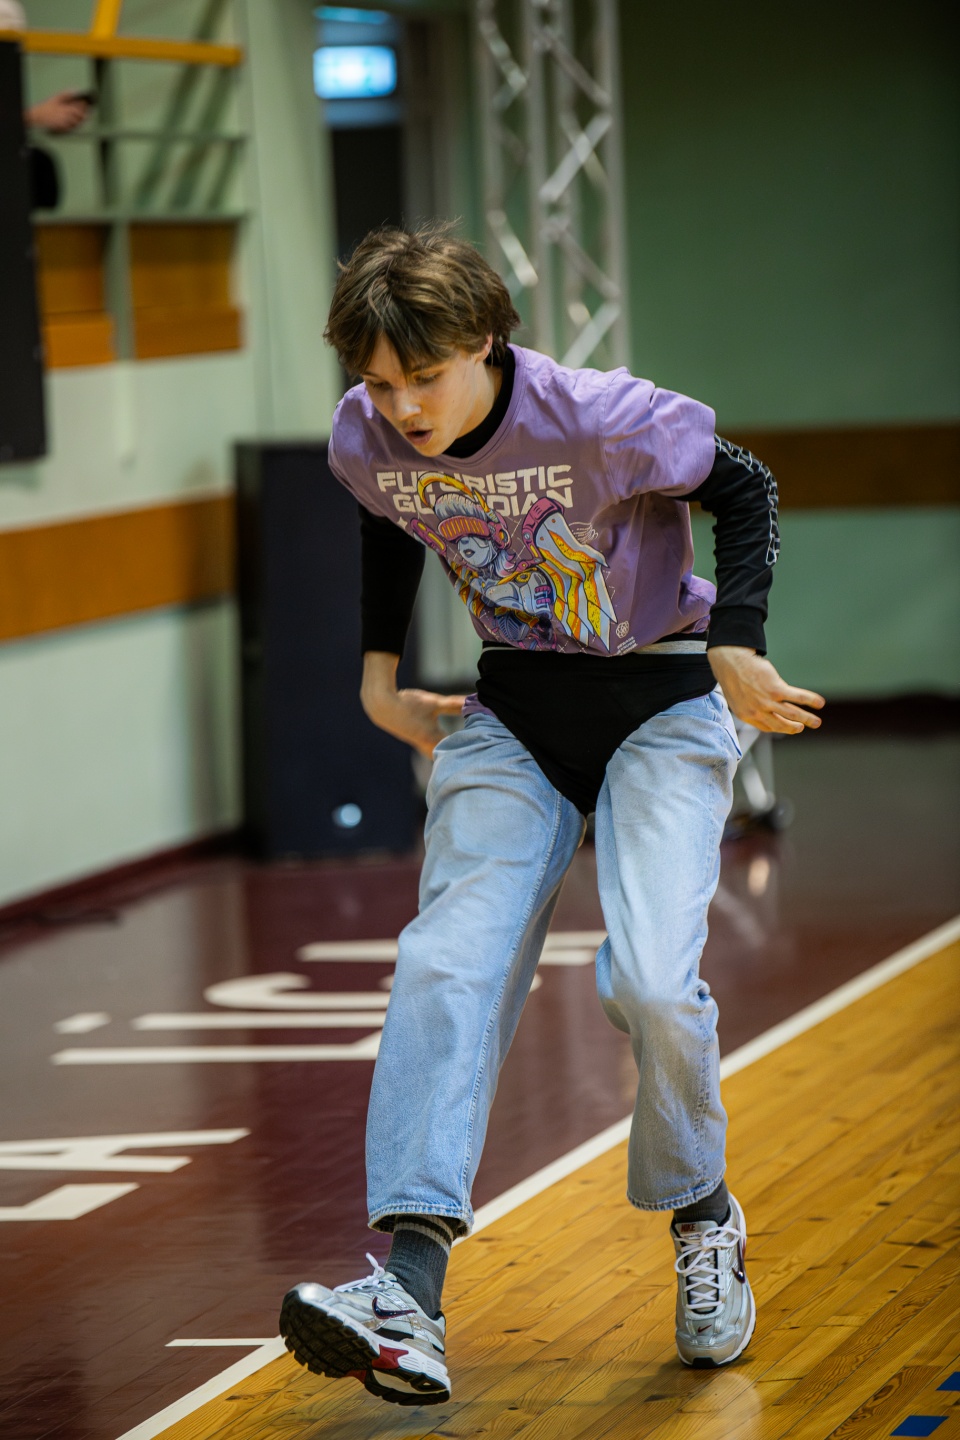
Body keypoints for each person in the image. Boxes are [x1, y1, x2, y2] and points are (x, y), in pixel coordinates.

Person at [279, 225, 824, 1407]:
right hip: (518, 708)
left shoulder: (599, 417)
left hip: (665, 694)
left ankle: (703, 1214)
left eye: (424, 378)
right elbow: (390, 513)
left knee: (651, 982)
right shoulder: (364, 437)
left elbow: (743, 482)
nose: (401, 407)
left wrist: (737, 639)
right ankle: (408, 1296)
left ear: (484, 340)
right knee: (446, 962)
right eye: (378, 382)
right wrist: (379, 679)